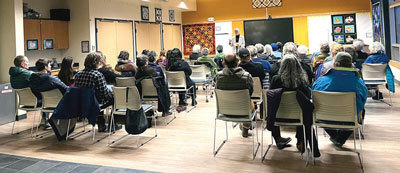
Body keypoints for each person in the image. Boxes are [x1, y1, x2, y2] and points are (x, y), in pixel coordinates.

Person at [313, 52, 368, 147]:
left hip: (323, 118)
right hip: (350, 118)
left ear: (335, 64)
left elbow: (313, 99)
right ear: (351, 65)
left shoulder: (320, 81)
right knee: (361, 110)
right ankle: (341, 138)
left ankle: (335, 136)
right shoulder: (358, 82)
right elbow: (363, 99)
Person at [269, 55, 320, 156]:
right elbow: (307, 97)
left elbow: (271, 96)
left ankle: (278, 140)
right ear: (298, 66)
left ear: (282, 66)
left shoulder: (275, 79)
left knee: (272, 105)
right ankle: (301, 141)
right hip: (298, 116)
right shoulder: (302, 80)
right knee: (304, 109)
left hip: (278, 115)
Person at [75, 52, 120, 132]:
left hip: (82, 102)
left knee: (96, 98)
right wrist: (113, 93)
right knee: (116, 98)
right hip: (95, 102)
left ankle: (101, 124)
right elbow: (104, 93)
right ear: (96, 63)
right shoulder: (97, 74)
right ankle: (112, 124)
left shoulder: (78, 74)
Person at [216, 54, 254, 137]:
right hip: (244, 110)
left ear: (224, 63)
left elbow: (217, 89)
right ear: (237, 61)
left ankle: (246, 126)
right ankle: (245, 128)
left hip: (224, 110)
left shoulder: (219, 76)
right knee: (251, 104)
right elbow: (250, 92)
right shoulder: (246, 76)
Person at [29, 58, 69, 128]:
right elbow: (66, 89)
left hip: (42, 102)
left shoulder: (32, 78)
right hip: (58, 103)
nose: (51, 66)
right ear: (45, 67)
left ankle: (45, 119)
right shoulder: (51, 79)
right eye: (49, 65)